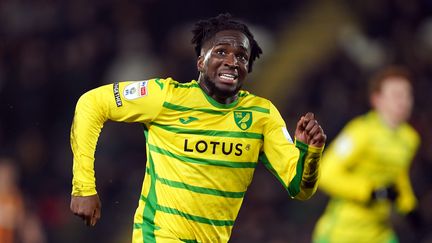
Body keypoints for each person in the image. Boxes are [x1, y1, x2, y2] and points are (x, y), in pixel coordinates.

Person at [70, 13, 327, 242]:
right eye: (221, 52)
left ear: (248, 67)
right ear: (200, 63)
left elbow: (300, 188)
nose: (232, 61)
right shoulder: (166, 97)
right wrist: (84, 187)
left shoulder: (262, 115)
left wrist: (310, 152)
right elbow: (91, 104)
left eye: (241, 56)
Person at [312, 66, 420, 242]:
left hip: (379, 233)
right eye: (396, 95)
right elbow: (325, 173)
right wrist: (369, 192)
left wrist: (409, 206)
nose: (404, 101)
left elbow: (398, 174)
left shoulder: (410, 139)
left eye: (407, 95)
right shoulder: (360, 132)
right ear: (377, 100)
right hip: (342, 233)